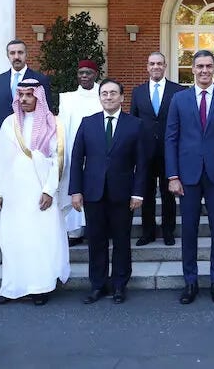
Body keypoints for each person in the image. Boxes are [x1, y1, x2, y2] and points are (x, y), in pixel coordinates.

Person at [166, 49, 214, 305]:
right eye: (199, 66)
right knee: (188, 230)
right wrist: (172, 175)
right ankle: (190, 282)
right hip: (187, 176)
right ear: (192, 69)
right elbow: (171, 138)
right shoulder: (179, 99)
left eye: (208, 66)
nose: (204, 70)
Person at [0, 79, 70, 307]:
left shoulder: (53, 123)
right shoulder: (10, 123)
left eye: (29, 94)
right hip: (13, 193)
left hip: (40, 191)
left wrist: (49, 191)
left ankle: (40, 287)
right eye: (21, 95)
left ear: (38, 97)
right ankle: (11, 288)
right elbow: (1, 158)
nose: (24, 99)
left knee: (40, 240)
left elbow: (59, 160)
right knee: (13, 240)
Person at [70, 79, 145, 304]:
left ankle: (120, 285)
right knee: (96, 241)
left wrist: (138, 193)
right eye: (104, 93)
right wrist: (75, 190)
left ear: (122, 97)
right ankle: (98, 285)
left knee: (122, 240)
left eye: (113, 93)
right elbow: (76, 158)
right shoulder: (88, 123)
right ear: (100, 97)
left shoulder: (135, 124)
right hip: (93, 193)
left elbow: (142, 163)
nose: (109, 97)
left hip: (123, 193)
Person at [0, 39, 52, 251]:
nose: (16, 56)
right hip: (5, 145)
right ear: (7, 55)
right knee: (6, 193)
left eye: (20, 52)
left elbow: (47, 112)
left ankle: (31, 235)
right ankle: (5, 236)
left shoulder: (40, 79)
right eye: (12, 53)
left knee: (29, 194)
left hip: (33, 146)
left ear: (26, 54)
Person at [130, 52, 185, 246]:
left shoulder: (178, 91)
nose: (156, 67)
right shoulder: (137, 92)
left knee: (169, 193)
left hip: (169, 151)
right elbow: (134, 122)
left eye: (159, 63)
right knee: (146, 192)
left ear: (165, 66)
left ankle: (168, 231)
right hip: (144, 152)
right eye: (152, 63)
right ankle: (148, 232)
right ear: (147, 67)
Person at [58, 60, 103, 247]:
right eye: (81, 73)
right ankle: (74, 231)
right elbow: (62, 127)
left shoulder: (103, 94)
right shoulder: (68, 98)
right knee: (74, 188)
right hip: (72, 152)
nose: (84, 76)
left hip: (98, 152)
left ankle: (97, 229)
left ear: (96, 74)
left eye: (88, 72)